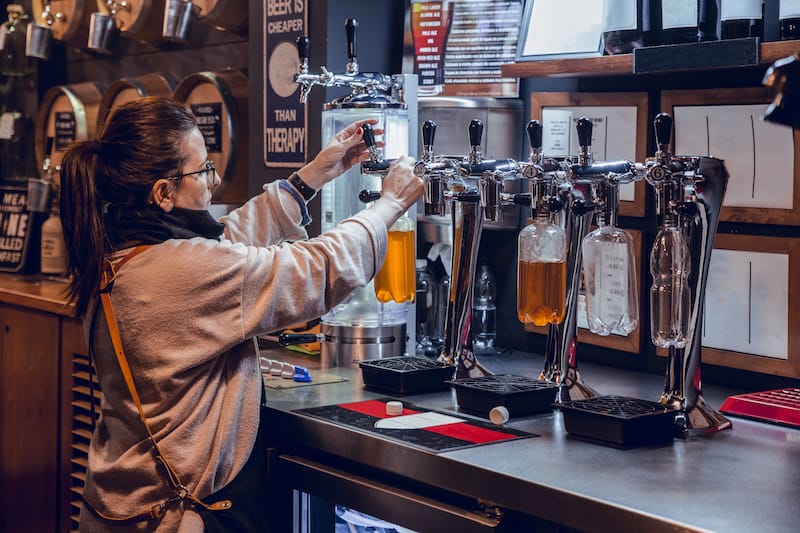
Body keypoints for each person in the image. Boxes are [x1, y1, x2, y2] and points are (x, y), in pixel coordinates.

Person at [59, 96, 423, 532]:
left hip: (120, 505)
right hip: (180, 514)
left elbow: (226, 240)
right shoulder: (180, 271)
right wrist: (388, 206)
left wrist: (313, 175)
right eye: (202, 171)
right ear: (163, 193)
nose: (212, 183)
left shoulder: (121, 252)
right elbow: (316, 269)